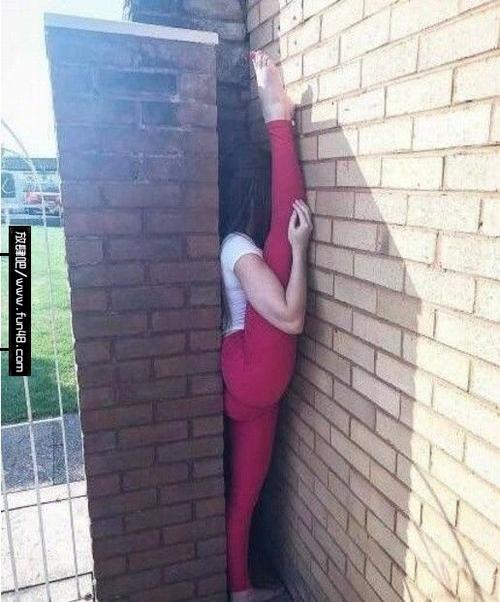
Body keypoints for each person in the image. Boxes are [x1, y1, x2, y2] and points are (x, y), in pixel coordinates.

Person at [220, 50, 313, 602]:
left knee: (247, 494)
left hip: (253, 386)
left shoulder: (237, 246)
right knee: (286, 231)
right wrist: (300, 251)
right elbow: (291, 317)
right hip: (251, 371)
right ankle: (277, 113)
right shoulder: (237, 247)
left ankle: (240, 588)